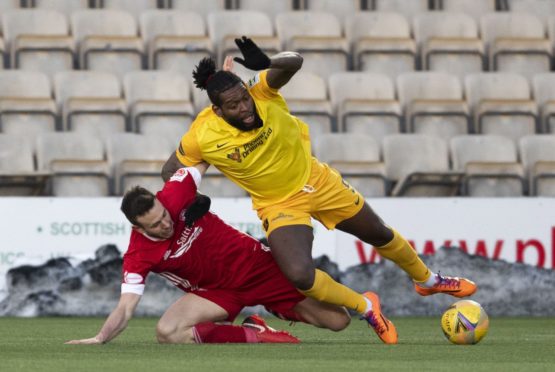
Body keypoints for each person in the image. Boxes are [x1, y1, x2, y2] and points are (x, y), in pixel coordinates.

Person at [161, 36, 478, 345]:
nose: (246, 108)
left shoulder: (262, 93)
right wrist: (192, 194)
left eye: (244, 98)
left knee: (378, 234)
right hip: (279, 204)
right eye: (234, 106)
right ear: (217, 111)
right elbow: (170, 170)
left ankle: (427, 281)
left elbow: (294, 62)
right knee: (300, 275)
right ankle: (367, 307)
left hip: (319, 181)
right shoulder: (202, 136)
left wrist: (268, 62)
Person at [66, 163, 356, 345]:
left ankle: (274, 308)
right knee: (167, 332)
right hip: (216, 292)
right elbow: (126, 307)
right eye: (155, 225)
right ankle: (256, 334)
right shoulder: (138, 255)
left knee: (339, 321)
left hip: (257, 267)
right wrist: (100, 338)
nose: (166, 223)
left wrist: (216, 98)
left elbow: (203, 150)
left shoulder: (176, 192)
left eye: (165, 215)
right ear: (137, 228)